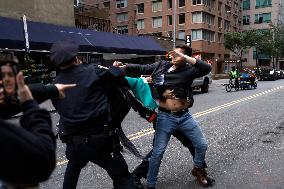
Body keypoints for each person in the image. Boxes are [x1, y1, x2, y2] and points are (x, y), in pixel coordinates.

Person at [114, 45, 213, 188]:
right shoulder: (161, 65)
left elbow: (206, 69)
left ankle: (199, 170)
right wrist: (124, 67)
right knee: (157, 151)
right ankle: (148, 182)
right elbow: (143, 69)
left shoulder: (188, 70)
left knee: (198, 144)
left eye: (178, 54)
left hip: (184, 117)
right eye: (173, 53)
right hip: (164, 117)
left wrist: (185, 58)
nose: (173, 56)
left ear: (185, 58)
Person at [49, 39, 135, 189]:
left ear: (57, 63)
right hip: (100, 141)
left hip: (74, 143)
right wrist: (115, 67)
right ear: (76, 57)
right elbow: (117, 76)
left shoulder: (56, 84)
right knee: (122, 177)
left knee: (72, 170)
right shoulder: (93, 71)